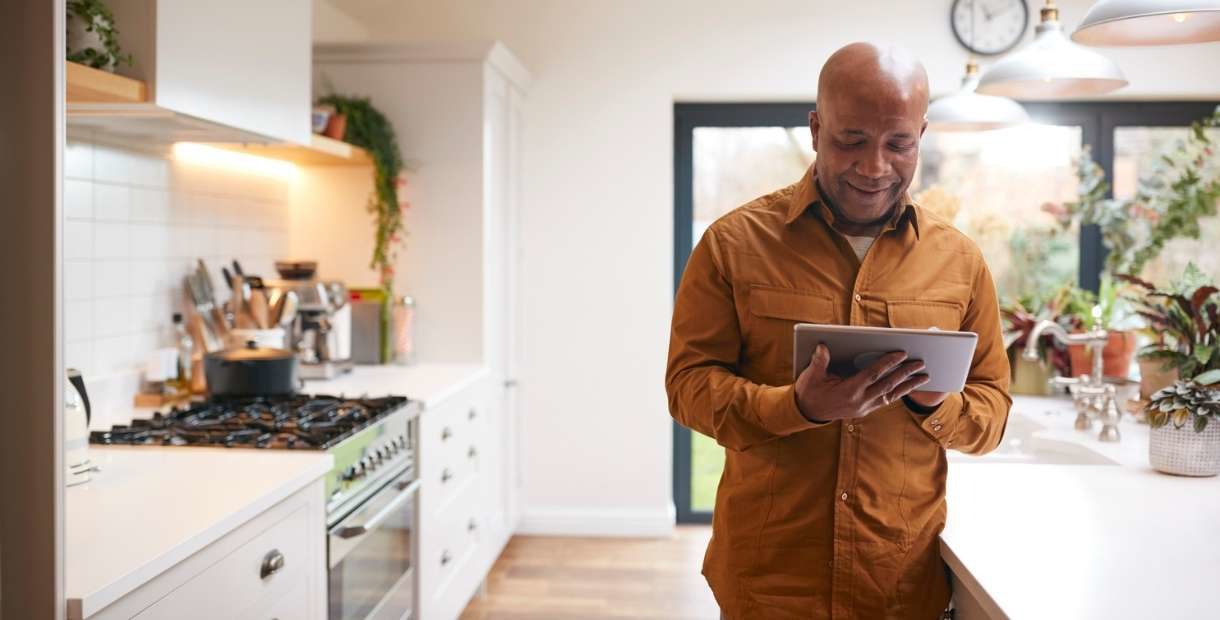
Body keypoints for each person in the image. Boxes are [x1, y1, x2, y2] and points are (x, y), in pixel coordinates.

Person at [664, 42, 1011, 619]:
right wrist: (796, 406)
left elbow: (992, 415)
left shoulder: (961, 263)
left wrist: (935, 405)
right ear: (816, 128)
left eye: (898, 144)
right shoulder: (732, 245)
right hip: (771, 584)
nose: (874, 166)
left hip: (900, 586)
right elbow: (687, 387)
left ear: (920, 135)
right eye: (851, 140)